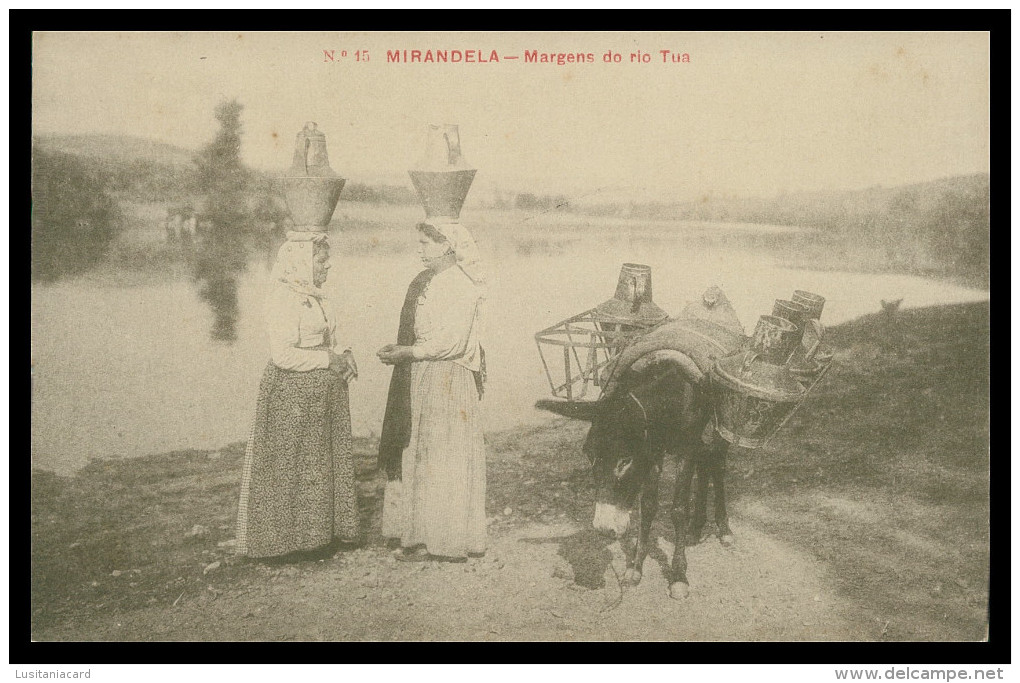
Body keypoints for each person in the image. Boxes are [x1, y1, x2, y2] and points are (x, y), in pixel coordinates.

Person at [235, 232, 360, 559]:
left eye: (326, 260)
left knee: (317, 465)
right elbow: (283, 356)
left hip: (320, 394)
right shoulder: (283, 299)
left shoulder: (317, 295)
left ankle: (319, 537)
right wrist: (327, 360)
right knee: (291, 466)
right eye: (321, 260)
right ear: (302, 263)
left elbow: (333, 334)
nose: (328, 266)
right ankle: (285, 544)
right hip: (291, 393)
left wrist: (345, 352)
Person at [377, 220, 487, 562]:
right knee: (425, 454)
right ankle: (423, 536)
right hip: (429, 375)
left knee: (444, 458)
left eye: (426, 243)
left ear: (447, 246)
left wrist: (408, 352)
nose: (420, 249)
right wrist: (407, 349)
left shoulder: (459, 286)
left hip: (447, 379)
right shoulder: (437, 283)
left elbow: (450, 343)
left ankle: (446, 541)